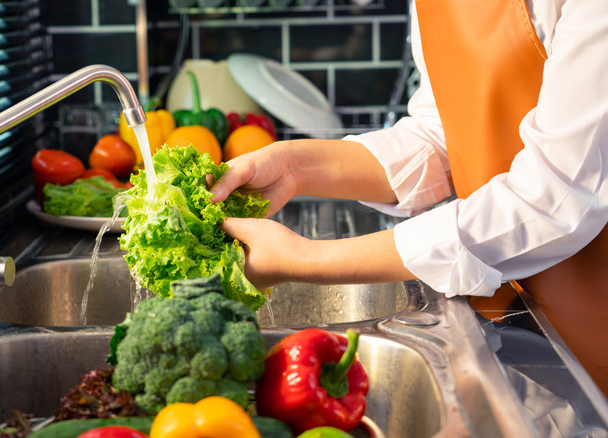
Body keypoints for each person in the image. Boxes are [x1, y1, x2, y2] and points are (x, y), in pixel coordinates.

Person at [209, 0, 608, 397]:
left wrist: (302, 259)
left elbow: (555, 196)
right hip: (517, 320)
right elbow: (440, 135)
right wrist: (295, 167)